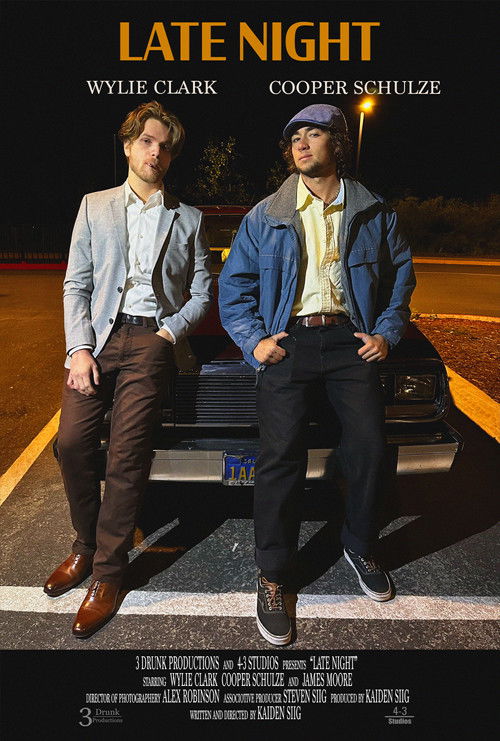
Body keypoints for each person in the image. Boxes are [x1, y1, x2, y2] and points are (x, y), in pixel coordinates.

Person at [218, 103, 415, 645]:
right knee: (280, 456)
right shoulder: (267, 214)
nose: (301, 144)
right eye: (294, 138)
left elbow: (400, 279)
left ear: (338, 143)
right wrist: (255, 341)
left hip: (352, 341)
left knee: (370, 447)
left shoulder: (374, 210)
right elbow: (234, 286)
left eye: (313, 134)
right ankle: (273, 575)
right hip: (290, 341)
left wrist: (386, 333)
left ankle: (359, 544)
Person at [43, 101, 212, 638]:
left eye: (164, 146)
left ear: (171, 156)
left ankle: (108, 574)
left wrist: (169, 332)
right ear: (128, 146)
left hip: (151, 341)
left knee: (126, 454)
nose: (155, 152)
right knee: (72, 443)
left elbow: (203, 292)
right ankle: (85, 546)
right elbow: (76, 284)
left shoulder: (189, 218)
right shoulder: (94, 206)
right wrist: (78, 349)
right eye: (146, 142)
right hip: (97, 339)